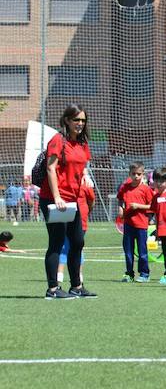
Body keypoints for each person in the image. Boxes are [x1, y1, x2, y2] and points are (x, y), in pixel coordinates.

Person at [38, 103, 96, 299]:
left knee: (78, 242)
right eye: (76, 120)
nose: (80, 123)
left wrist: (85, 177)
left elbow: (82, 166)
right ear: (67, 121)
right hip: (54, 200)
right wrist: (57, 197)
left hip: (72, 201)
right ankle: (53, 289)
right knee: (56, 242)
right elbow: (50, 168)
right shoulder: (58, 140)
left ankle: (76, 286)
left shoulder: (82, 143)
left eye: (82, 120)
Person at [117, 162, 154, 283]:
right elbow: (120, 199)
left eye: (139, 174)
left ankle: (144, 273)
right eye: (133, 174)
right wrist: (121, 209)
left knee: (142, 251)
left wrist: (138, 206)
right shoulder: (125, 187)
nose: (136, 176)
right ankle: (129, 273)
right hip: (128, 224)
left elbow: (152, 206)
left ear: (143, 174)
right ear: (129, 174)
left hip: (141, 225)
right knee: (128, 251)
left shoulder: (146, 189)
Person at [57, 180, 95, 284]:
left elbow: (91, 201)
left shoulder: (85, 185)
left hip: (81, 221)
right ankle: (60, 273)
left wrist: (87, 211)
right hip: (67, 218)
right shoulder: (65, 183)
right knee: (64, 246)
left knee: (78, 247)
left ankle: (78, 274)